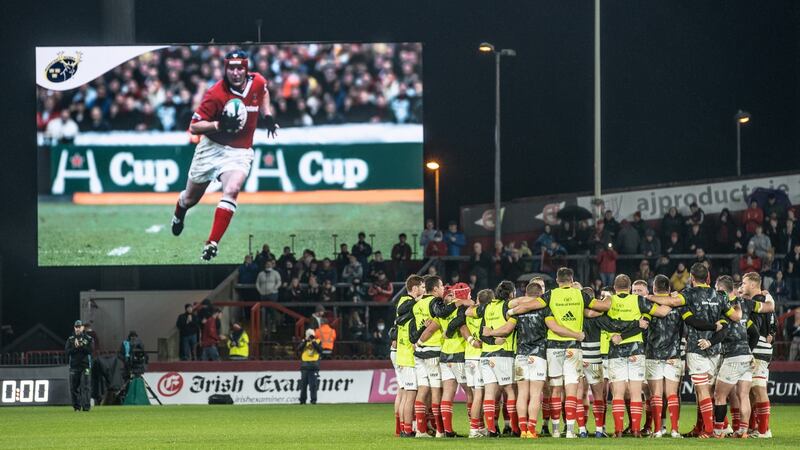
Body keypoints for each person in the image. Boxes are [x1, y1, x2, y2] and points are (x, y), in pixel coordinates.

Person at [170, 49, 278, 260]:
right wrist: (219, 124)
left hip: (240, 151)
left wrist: (268, 115)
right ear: (225, 69)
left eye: (239, 68)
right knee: (190, 199)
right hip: (212, 149)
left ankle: (212, 243)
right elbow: (194, 127)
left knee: (232, 189)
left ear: (246, 69)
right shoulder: (215, 93)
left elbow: (264, 91)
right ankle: (179, 213)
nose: (235, 73)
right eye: (231, 68)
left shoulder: (257, 82)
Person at [66, 320, 93, 411]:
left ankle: (86, 407)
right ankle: (76, 407)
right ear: (74, 328)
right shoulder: (70, 339)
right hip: (74, 366)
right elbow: (67, 352)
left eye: (79, 327)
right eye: (76, 327)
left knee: (85, 386)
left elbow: (90, 351)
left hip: (85, 366)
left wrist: (81, 346)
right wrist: (75, 347)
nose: (78, 328)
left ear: (82, 327)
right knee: (74, 387)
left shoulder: (89, 339)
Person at [298, 328, 322, 404]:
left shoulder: (318, 341)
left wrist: (313, 341)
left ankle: (313, 400)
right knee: (303, 385)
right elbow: (299, 349)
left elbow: (320, 350)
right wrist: (305, 340)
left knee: (313, 385)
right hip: (305, 365)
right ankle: (302, 400)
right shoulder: (304, 342)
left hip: (313, 365)